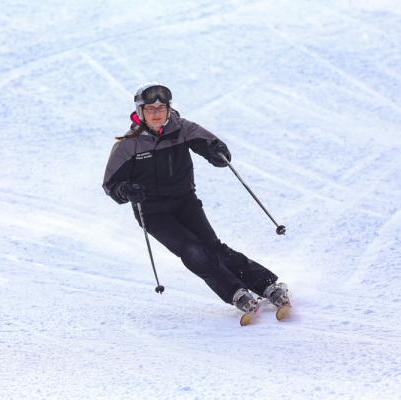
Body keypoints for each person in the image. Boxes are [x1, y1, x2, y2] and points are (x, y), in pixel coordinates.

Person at [102, 83, 289, 314]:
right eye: (150, 109)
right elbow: (110, 185)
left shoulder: (182, 129)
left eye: (162, 108)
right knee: (192, 250)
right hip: (153, 212)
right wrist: (125, 190)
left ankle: (267, 285)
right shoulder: (128, 145)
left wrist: (216, 152)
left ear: (169, 109)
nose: (157, 113)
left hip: (184, 201)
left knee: (214, 248)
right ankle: (236, 292)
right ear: (140, 112)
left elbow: (208, 143)